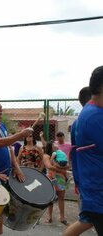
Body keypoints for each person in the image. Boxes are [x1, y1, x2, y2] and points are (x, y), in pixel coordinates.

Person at [0, 98, 33, 236]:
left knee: (1, 208)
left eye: (1, 107)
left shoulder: (1, 126)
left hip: (5, 173)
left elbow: (9, 149)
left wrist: (16, 167)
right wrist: (20, 134)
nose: (1, 110)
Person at [74, 65, 103, 235]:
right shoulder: (94, 117)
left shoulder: (91, 112)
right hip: (98, 190)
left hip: (94, 187)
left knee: (85, 222)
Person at [63, 87, 93, 236]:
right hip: (92, 181)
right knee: (87, 219)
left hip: (84, 178)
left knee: (87, 219)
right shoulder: (91, 118)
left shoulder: (78, 122)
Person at [43, 141, 70, 226]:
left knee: (61, 198)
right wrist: (62, 170)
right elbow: (49, 166)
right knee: (51, 198)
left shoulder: (60, 154)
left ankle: (62, 217)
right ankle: (49, 217)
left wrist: (62, 167)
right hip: (52, 178)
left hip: (61, 178)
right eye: (54, 145)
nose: (56, 146)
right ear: (50, 147)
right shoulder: (46, 156)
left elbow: (68, 165)